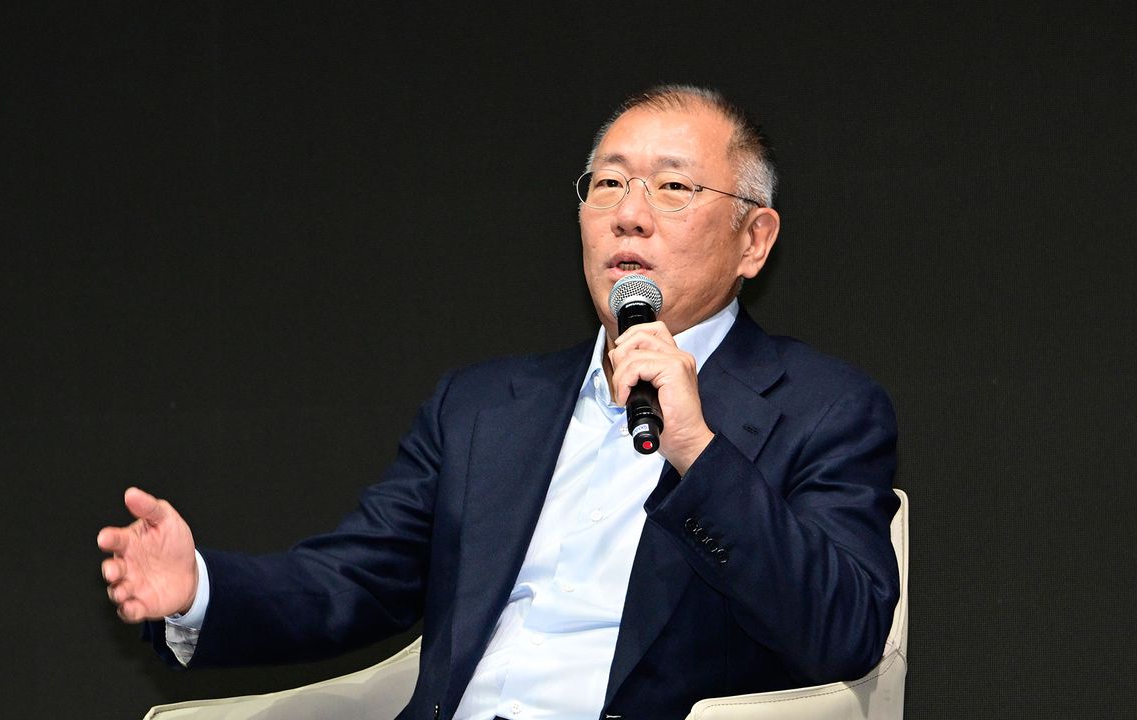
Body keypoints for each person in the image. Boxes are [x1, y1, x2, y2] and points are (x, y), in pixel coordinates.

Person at [98, 84, 900, 720]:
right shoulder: (484, 407)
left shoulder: (824, 410)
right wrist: (199, 590)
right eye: (609, 183)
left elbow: (843, 634)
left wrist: (699, 451)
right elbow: (357, 581)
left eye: (673, 187)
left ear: (754, 239)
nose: (629, 212)